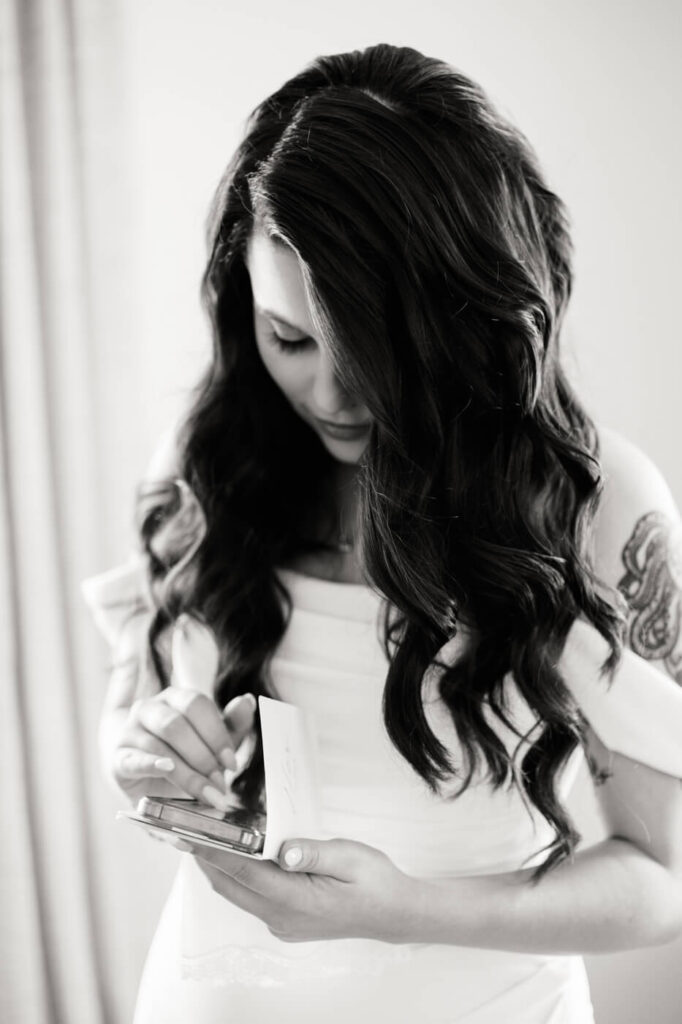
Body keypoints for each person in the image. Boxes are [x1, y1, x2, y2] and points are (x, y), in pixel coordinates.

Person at [83, 42, 682, 1024]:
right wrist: (140, 752)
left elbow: (659, 878)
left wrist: (404, 909)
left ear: (463, 318)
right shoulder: (209, 461)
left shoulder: (596, 499)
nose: (329, 393)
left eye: (373, 349)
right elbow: (133, 708)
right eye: (290, 339)